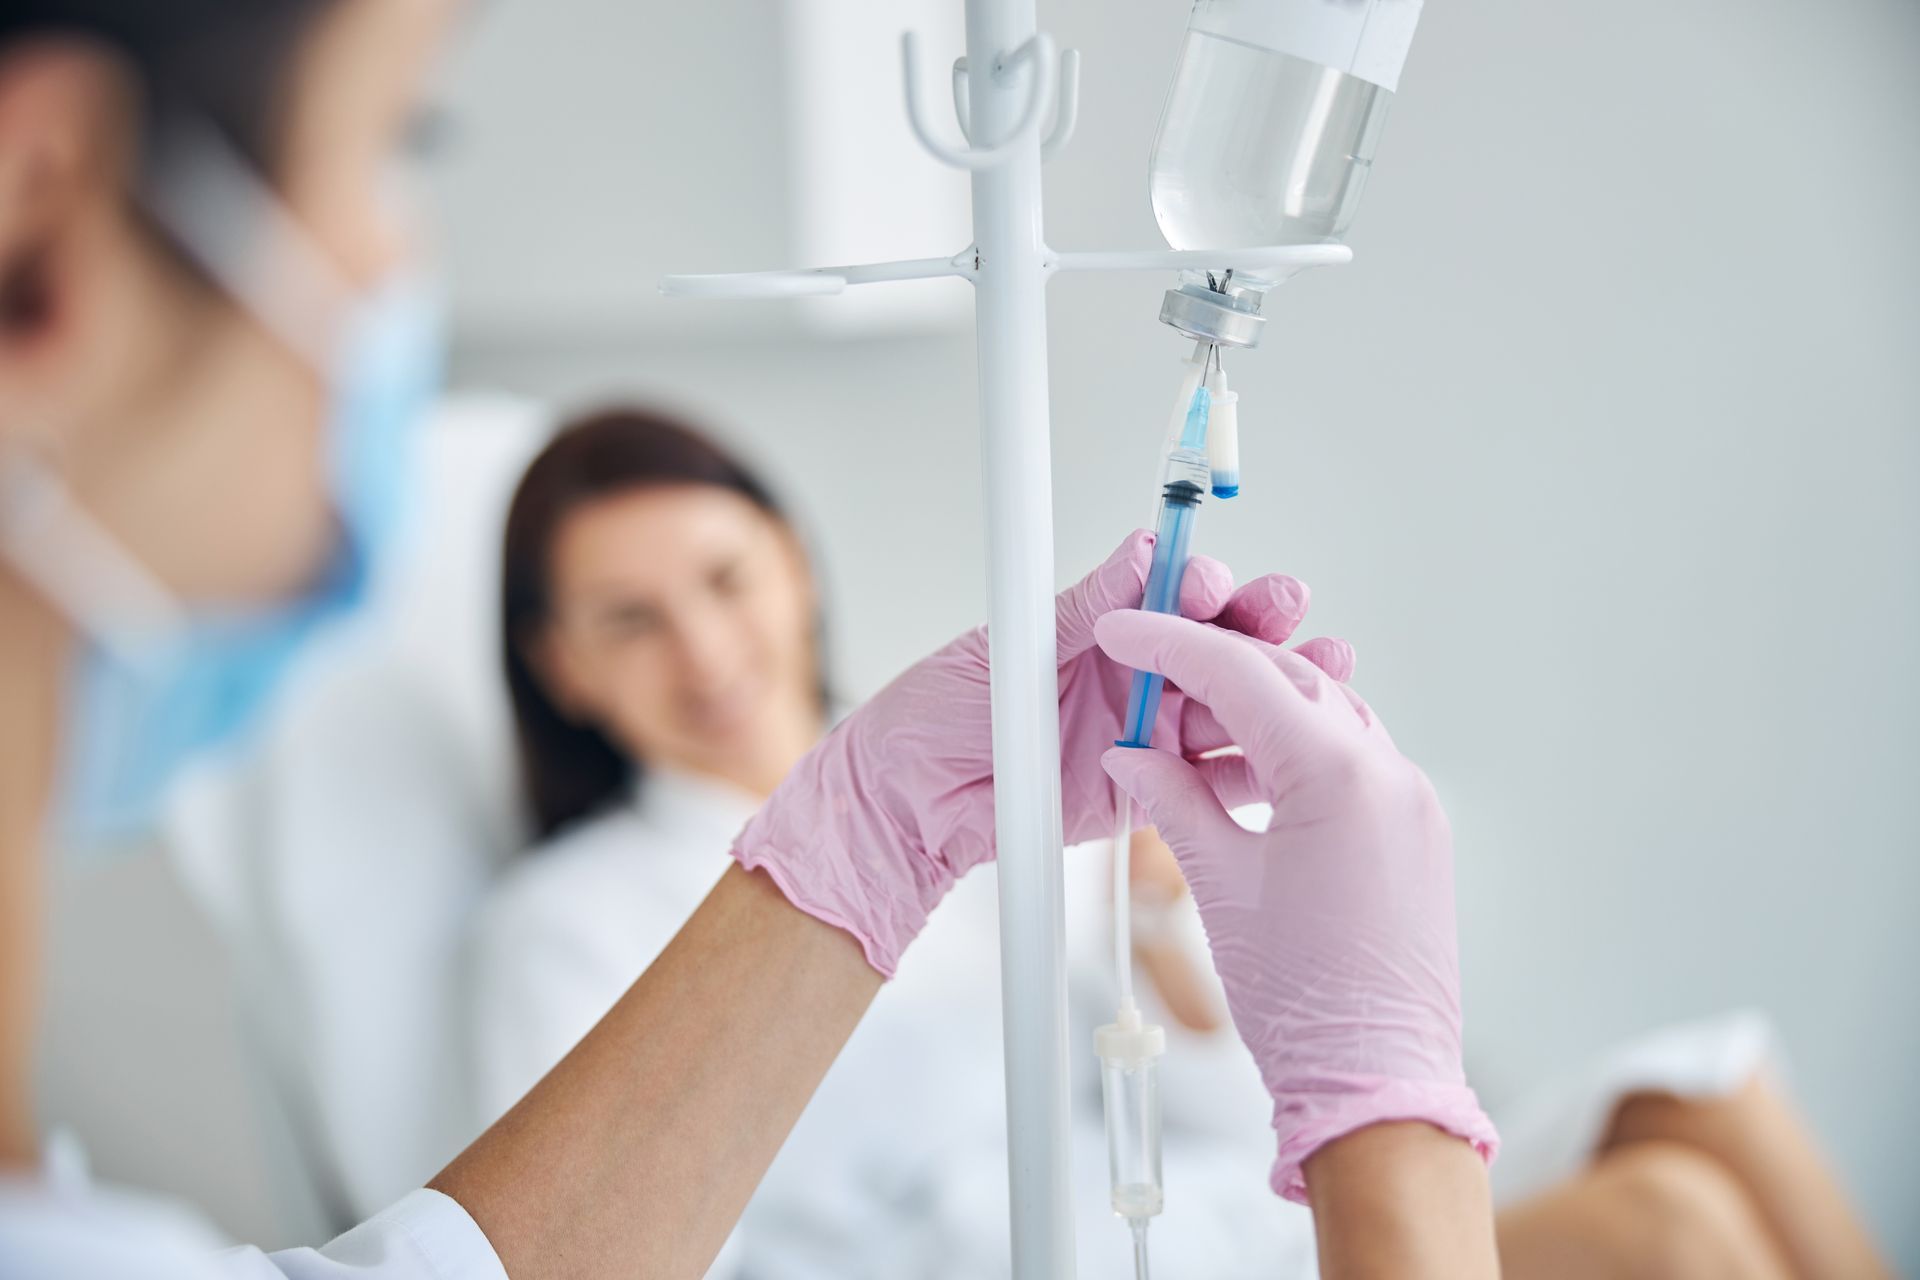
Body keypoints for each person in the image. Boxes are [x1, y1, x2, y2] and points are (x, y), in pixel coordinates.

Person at [0, 3, 1506, 1277]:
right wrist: (1385, 1108)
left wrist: (884, 826)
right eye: (400, 143)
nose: (397, 268)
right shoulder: (558, 925)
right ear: (39, 226)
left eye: (725, 580)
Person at [474, 411, 1896, 1280]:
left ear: (792, 562)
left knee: (1712, 1087)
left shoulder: (1002, 771)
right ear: (560, 667)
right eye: (628, 619)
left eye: (725, 579)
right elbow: (607, 1244)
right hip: (1066, 1260)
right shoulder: (574, 921)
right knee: (1670, 1228)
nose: (708, 649)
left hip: (1222, 1210)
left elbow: (1221, 1121)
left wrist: (1165, 926)